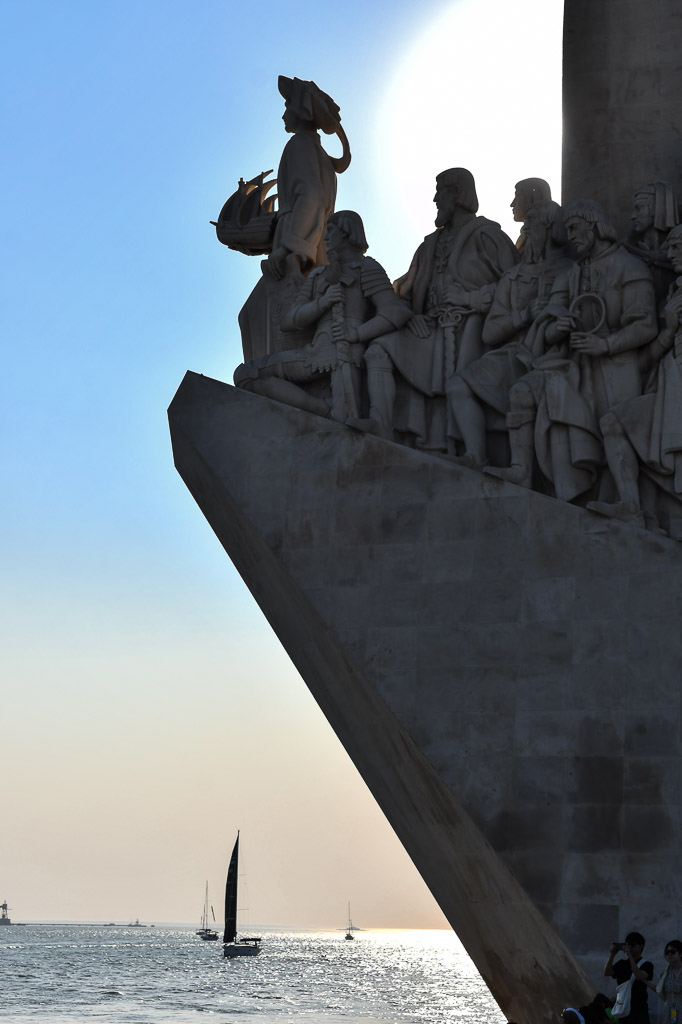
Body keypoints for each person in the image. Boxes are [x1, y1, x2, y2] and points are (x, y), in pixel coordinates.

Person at [485, 200, 657, 500]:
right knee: (522, 392)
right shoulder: (572, 274)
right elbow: (550, 324)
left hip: (616, 366)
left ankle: (629, 507)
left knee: (614, 433)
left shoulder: (629, 266)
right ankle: (521, 470)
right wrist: (558, 326)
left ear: (595, 225)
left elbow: (645, 326)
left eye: (576, 228)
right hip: (574, 364)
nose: (571, 236)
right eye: (567, 230)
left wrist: (605, 344)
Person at [351, 167, 518, 448]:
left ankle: (471, 452)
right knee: (379, 349)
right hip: (429, 329)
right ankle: (381, 424)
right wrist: (408, 316)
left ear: (457, 193)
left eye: (440, 191)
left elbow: (516, 283)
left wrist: (472, 300)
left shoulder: (487, 235)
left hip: (472, 330)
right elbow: (404, 290)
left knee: (459, 388)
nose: (435, 199)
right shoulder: (429, 245)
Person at [233, 210, 411, 422]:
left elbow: (394, 312)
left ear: (346, 232)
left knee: (347, 421)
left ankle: (334, 412)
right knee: (245, 374)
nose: (325, 237)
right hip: (315, 352)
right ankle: (322, 410)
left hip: (348, 352)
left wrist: (355, 333)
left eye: (331, 231)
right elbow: (290, 321)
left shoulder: (367, 268)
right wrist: (322, 303)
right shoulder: (319, 274)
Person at [447, 199, 572, 469]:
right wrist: (524, 315)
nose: (526, 231)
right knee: (457, 385)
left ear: (549, 229)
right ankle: (476, 454)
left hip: (554, 355)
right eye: (525, 225)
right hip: (514, 354)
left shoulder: (571, 271)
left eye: (532, 225)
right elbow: (490, 332)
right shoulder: (513, 276)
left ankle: (522, 470)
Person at [587, 225, 682, 530]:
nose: (670, 253)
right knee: (613, 422)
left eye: (678, 247)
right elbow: (648, 359)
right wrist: (668, 330)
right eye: (671, 246)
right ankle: (634, 509)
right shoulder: (673, 293)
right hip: (668, 387)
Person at [604, 933, 653, 1024]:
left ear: (641, 946)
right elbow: (607, 973)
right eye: (627, 945)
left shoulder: (647, 965)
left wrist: (629, 955)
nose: (630, 948)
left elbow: (638, 975)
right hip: (623, 1009)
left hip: (639, 1010)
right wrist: (612, 955)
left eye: (633, 945)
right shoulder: (622, 963)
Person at [510, 177, 553, 251]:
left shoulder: (544, 236)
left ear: (532, 198)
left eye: (517, 197)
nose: (512, 204)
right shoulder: (525, 235)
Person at [647, 939, 682, 1022]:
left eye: (672, 951)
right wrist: (645, 981)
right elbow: (659, 989)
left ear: (680, 954)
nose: (669, 954)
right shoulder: (665, 971)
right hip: (669, 1012)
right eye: (667, 952)